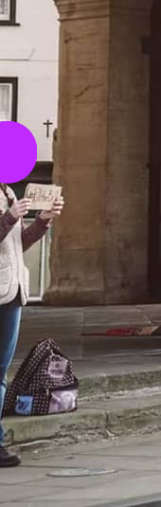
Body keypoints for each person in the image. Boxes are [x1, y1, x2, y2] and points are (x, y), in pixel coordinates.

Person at [0, 183, 64, 468]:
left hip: (11, 291)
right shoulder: (9, 201)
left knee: (1, 373)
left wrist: (43, 220)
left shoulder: (8, 192)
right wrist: (10, 216)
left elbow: (17, 244)